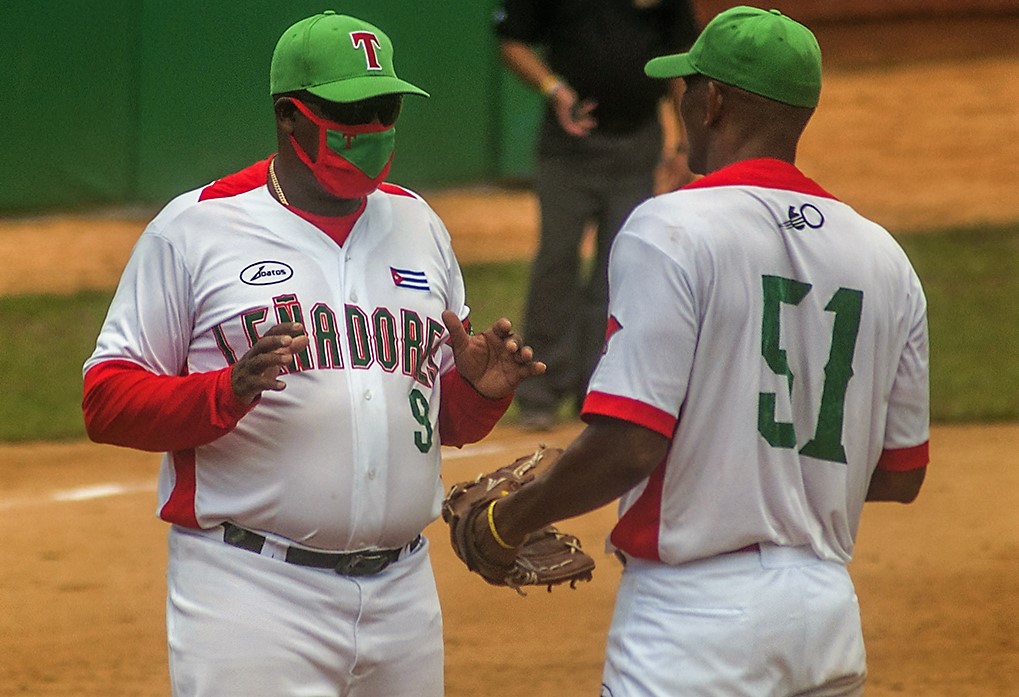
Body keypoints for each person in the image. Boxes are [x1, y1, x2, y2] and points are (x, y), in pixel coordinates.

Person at [81, 11, 544, 697]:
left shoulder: (419, 225)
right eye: (348, 110)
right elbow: (106, 401)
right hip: (251, 595)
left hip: (402, 597)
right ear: (288, 116)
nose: (371, 127)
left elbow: (435, 424)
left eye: (384, 108)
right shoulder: (197, 228)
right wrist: (224, 392)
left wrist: (479, 391)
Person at [475, 6, 930, 695]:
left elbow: (629, 445)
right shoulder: (883, 257)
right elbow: (899, 474)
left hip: (693, 625)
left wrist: (506, 522)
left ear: (711, 100)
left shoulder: (671, 227)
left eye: (687, 88)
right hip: (826, 618)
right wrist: (772, 474)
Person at [494, 0, 700, 429]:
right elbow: (511, 42)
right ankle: (540, 392)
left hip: (637, 142)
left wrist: (683, 145)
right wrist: (553, 88)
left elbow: (681, 60)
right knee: (557, 261)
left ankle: (602, 390)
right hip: (567, 146)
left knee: (620, 268)